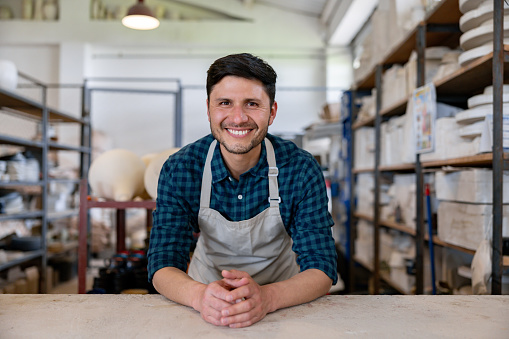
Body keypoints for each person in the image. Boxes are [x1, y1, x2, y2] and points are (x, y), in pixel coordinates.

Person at [147, 53, 338, 328]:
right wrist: (200, 296)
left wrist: (268, 298)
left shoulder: (301, 169)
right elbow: (162, 263)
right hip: (205, 304)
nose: (238, 118)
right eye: (225, 103)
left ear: (271, 112)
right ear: (209, 109)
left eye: (252, 104)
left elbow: (322, 267)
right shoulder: (181, 169)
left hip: (284, 300)